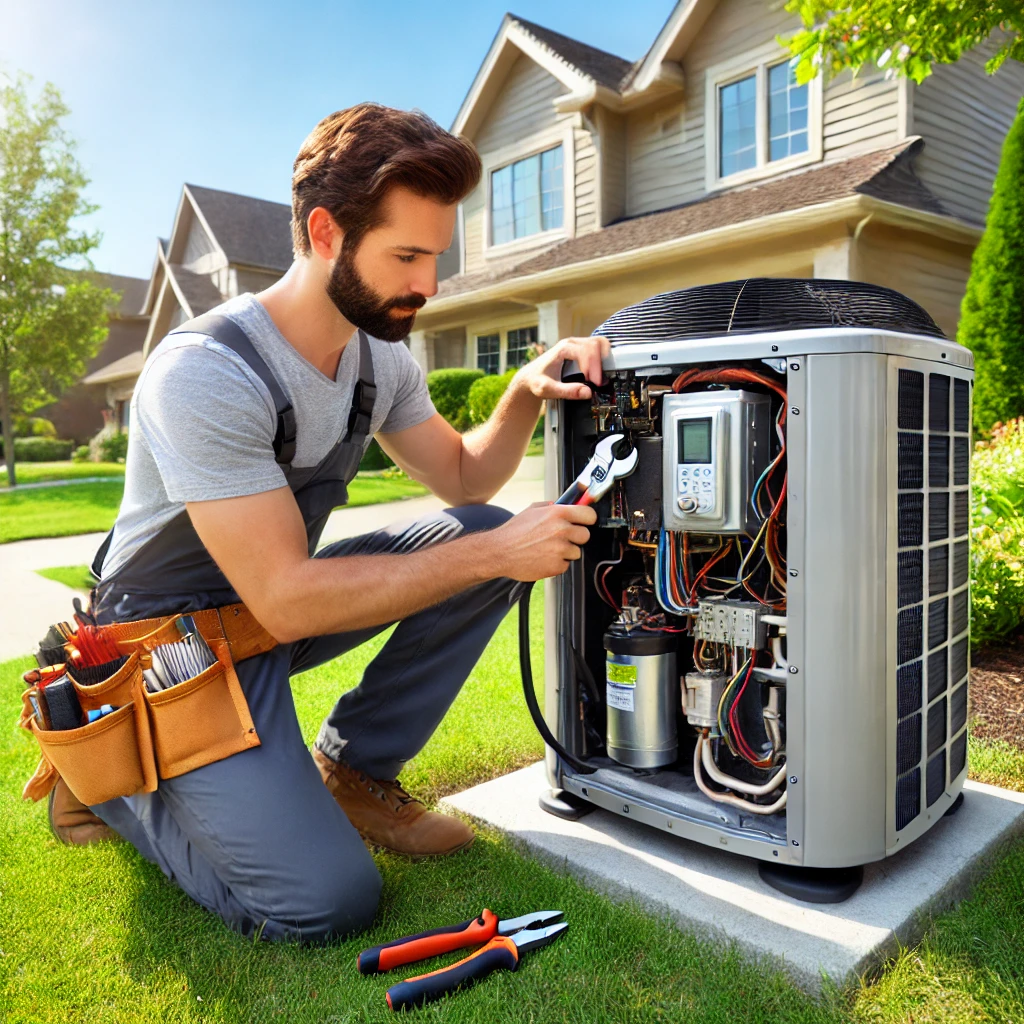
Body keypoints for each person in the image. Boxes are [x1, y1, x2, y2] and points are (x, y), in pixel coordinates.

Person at [49, 103, 604, 943]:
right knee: (323, 905)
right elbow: (290, 600)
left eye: (435, 256)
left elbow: (463, 474)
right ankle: (104, 770)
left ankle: (353, 770)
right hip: (165, 648)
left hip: (265, 612)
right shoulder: (205, 374)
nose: (429, 285)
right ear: (326, 233)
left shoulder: (379, 357)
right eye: (407, 256)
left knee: (482, 532)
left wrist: (524, 388)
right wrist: (499, 548)